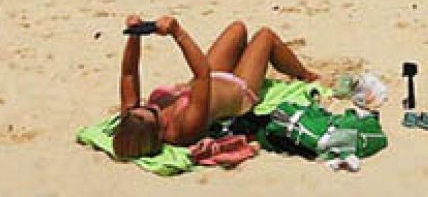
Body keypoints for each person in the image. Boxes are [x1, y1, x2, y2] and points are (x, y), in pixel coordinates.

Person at [112, 15, 318, 158]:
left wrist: (134, 35)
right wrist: (177, 33)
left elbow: (129, 73)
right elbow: (203, 76)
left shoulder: (133, 119)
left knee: (238, 28)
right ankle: (305, 74)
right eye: (152, 112)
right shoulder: (185, 126)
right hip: (239, 89)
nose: (151, 106)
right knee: (266, 36)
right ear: (157, 133)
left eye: (143, 107)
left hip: (213, 76)